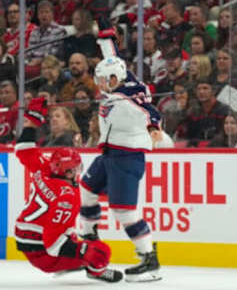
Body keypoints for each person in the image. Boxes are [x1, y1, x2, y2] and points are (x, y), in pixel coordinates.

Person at [78, 19, 162, 282]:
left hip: (127, 156)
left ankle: (149, 260)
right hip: (109, 154)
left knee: (124, 211)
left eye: (103, 80)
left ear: (114, 79)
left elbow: (149, 111)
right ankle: (90, 236)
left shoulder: (131, 94)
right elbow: (112, 57)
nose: (100, 85)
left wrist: (153, 128)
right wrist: (105, 35)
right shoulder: (120, 80)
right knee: (87, 189)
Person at [14, 97, 123, 283]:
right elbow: (53, 244)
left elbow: (23, 148)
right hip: (42, 253)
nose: (78, 172)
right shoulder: (67, 197)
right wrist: (83, 253)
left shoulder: (44, 168)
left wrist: (32, 120)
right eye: (75, 169)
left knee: (71, 235)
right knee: (101, 252)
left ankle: (74, 260)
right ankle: (94, 271)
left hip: (27, 236)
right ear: (69, 171)